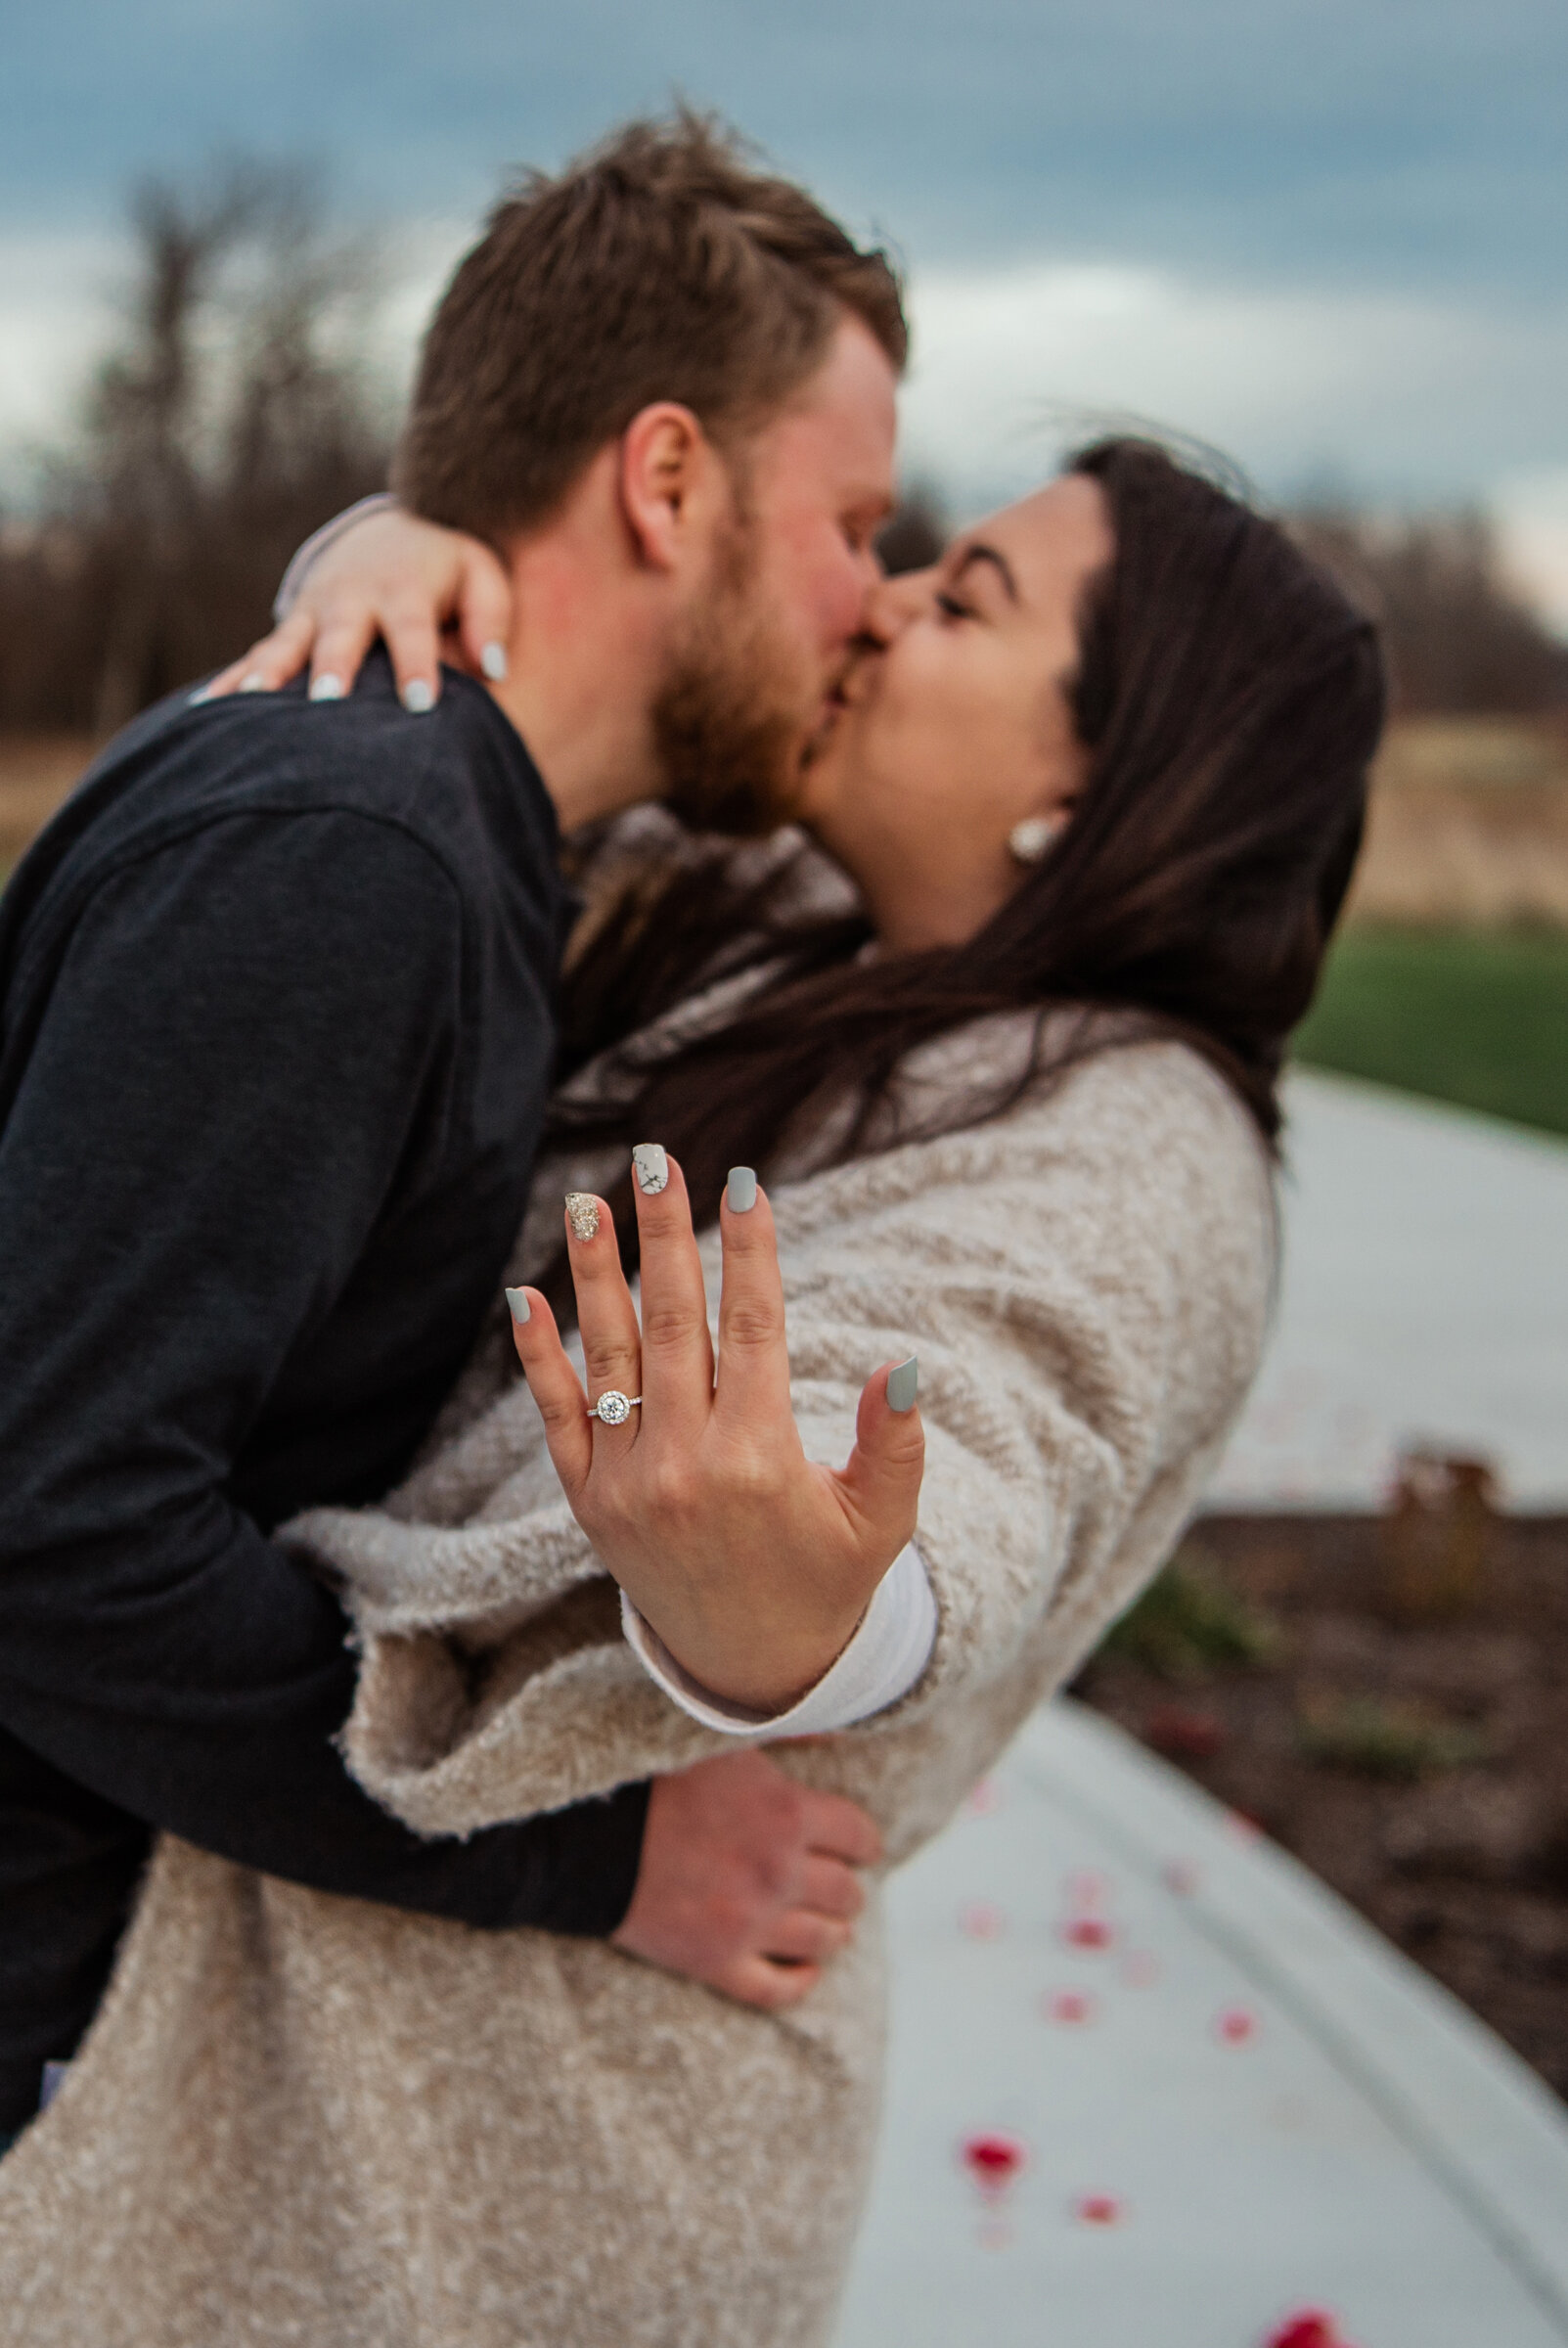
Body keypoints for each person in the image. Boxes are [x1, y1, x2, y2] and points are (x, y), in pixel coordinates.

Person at [0, 437, 1384, 2348]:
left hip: (521, 2154)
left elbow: (980, 1430)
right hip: (311, 1995)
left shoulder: (1142, 1154)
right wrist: (401, 551)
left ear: (1094, 781)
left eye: (961, 597)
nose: (881, 597)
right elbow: (567, 705)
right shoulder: (780, 911)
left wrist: (789, 1607)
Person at [0, 114, 926, 2159]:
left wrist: (368, 525)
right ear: (667, 474)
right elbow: (45, 1532)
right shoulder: (357, 853)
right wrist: (589, 1857)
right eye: (853, 521)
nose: (872, 599)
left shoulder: (438, 821)